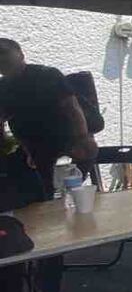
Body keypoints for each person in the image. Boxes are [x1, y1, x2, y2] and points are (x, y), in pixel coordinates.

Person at [0, 38, 98, 195]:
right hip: (33, 144)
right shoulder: (3, 87)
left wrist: (82, 138)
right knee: (35, 185)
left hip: (65, 137)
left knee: (86, 154)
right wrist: (18, 147)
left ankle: (68, 192)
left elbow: (72, 108)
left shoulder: (46, 76)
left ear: (21, 55)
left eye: (6, 59)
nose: (4, 64)